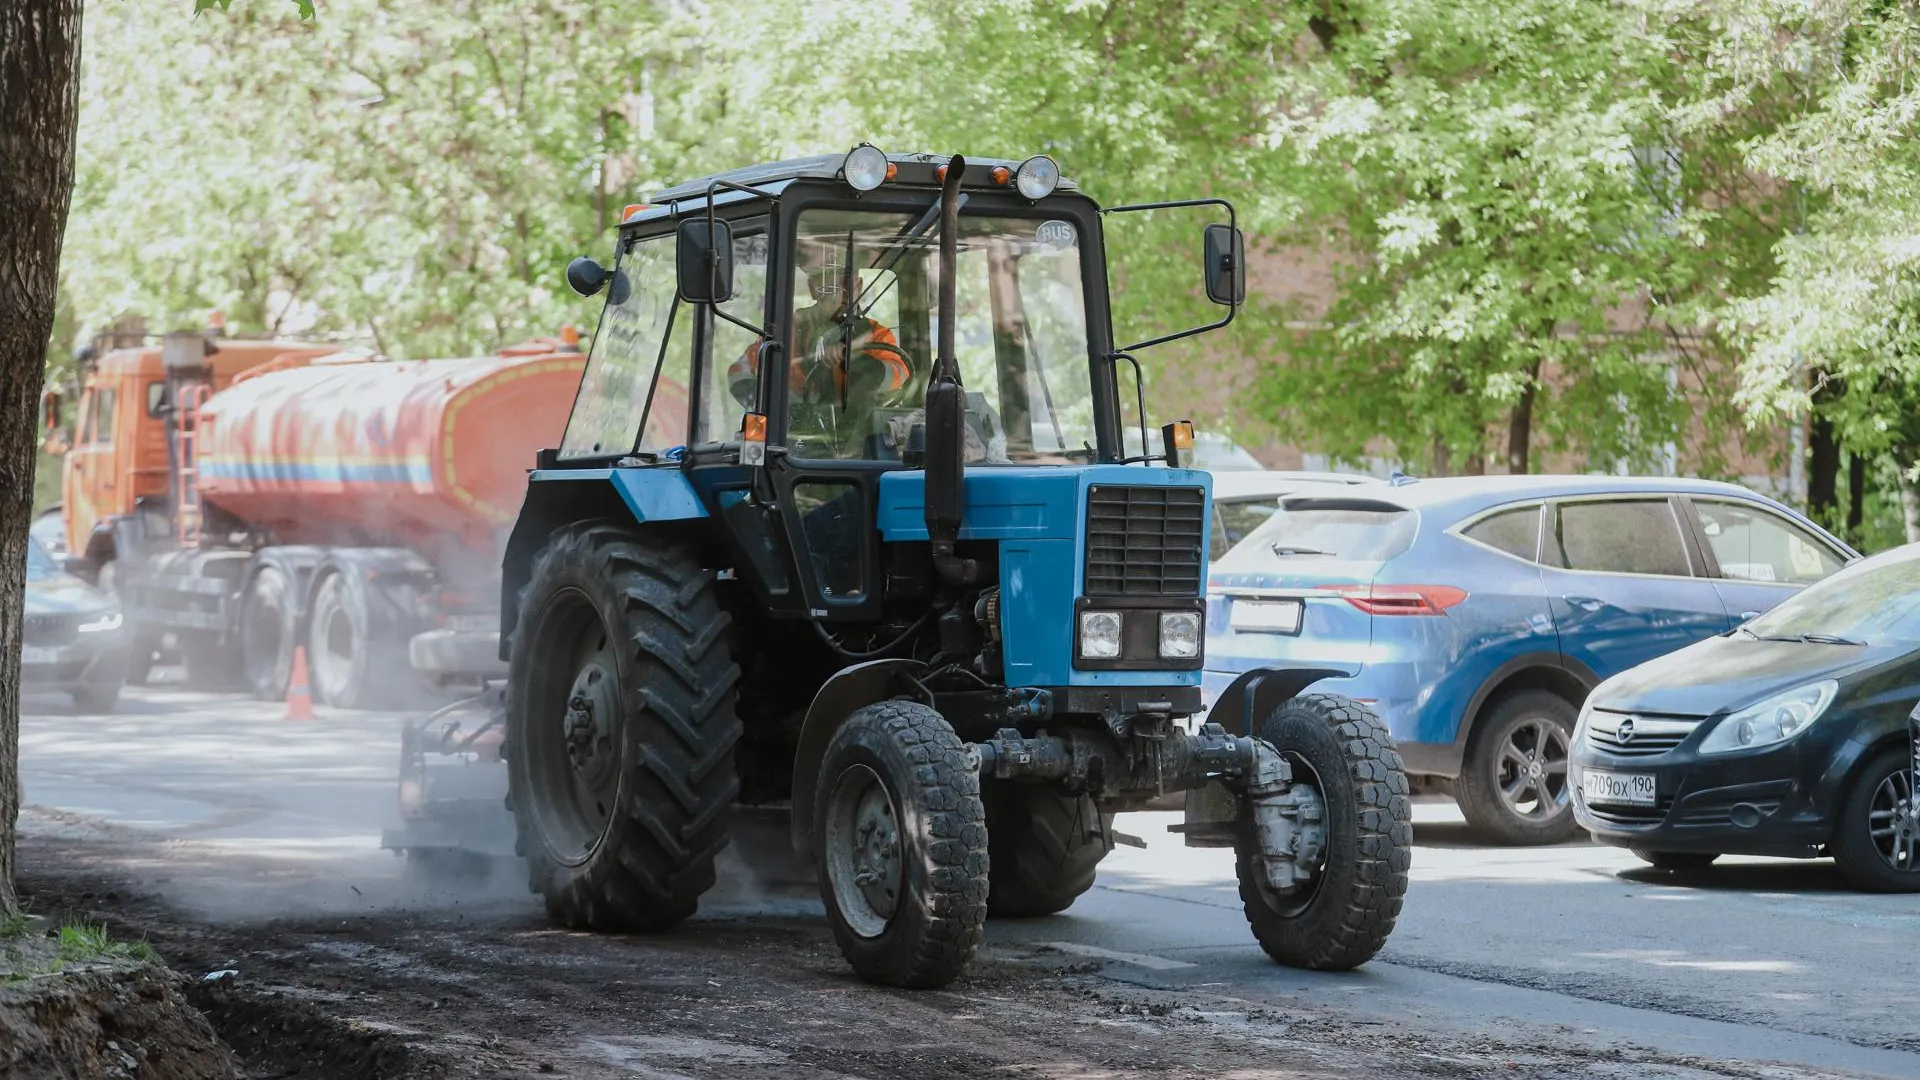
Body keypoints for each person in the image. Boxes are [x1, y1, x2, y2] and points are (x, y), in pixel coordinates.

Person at [727, 238, 914, 456]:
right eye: (826, 283)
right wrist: (777, 412)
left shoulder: (875, 334)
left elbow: (897, 376)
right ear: (812, 288)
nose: (837, 292)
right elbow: (739, 375)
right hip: (791, 452)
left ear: (859, 286)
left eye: (845, 283)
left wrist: (855, 361)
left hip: (860, 452)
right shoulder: (787, 331)